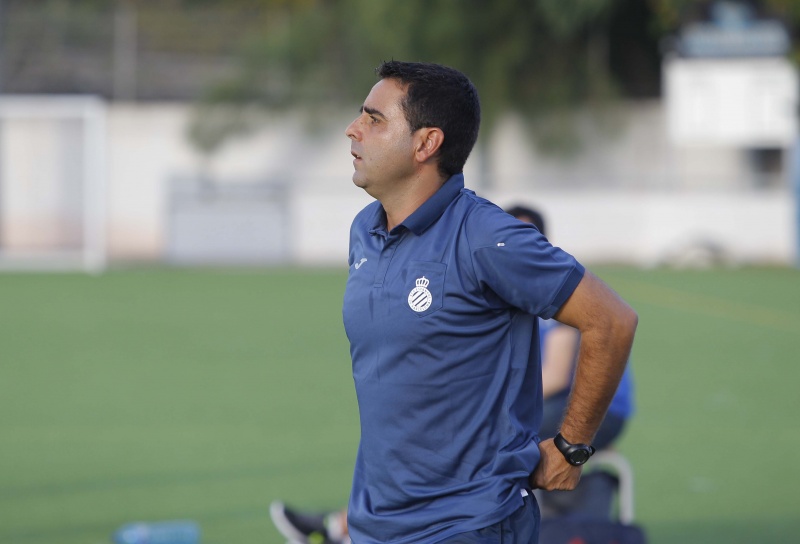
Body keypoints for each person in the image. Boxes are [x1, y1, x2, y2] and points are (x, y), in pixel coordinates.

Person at [279, 60, 637, 544]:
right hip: (375, 524)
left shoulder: (486, 236)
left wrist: (572, 448)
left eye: (374, 119)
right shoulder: (365, 230)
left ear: (426, 143)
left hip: (469, 524)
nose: (353, 129)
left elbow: (611, 321)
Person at [269, 204, 635, 542]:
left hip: (590, 407)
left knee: (462, 441)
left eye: (520, 238)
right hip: (546, 401)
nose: (505, 249)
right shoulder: (493, 273)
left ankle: (341, 527)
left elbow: (557, 373)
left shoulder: (544, 281)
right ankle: (347, 524)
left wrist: (565, 445)